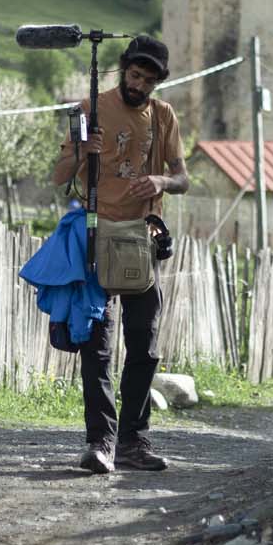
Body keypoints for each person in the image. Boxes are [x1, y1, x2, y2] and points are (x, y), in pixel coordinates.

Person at [48, 34, 189, 474]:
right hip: (98, 235)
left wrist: (161, 182)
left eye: (148, 80)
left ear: (157, 83)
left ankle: (133, 442)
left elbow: (183, 178)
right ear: (124, 69)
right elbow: (58, 176)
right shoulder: (88, 110)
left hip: (142, 239)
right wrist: (83, 153)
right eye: (134, 75)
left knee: (144, 345)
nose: (139, 85)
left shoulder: (163, 116)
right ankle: (100, 442)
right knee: (98, 345)